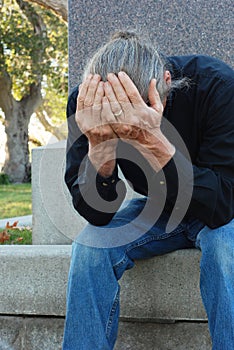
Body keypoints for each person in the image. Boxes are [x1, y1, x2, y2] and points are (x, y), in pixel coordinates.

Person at [62, 31, 234, 349]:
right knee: (91, 247)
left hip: (221, 209)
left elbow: (223, 203)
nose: (125, 134)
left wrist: (152, 138)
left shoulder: (218, 86)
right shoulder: (87, 105)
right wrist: (100, 148)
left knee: (225, 251)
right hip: (160, 208)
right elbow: (95, 214)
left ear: (165, 83)